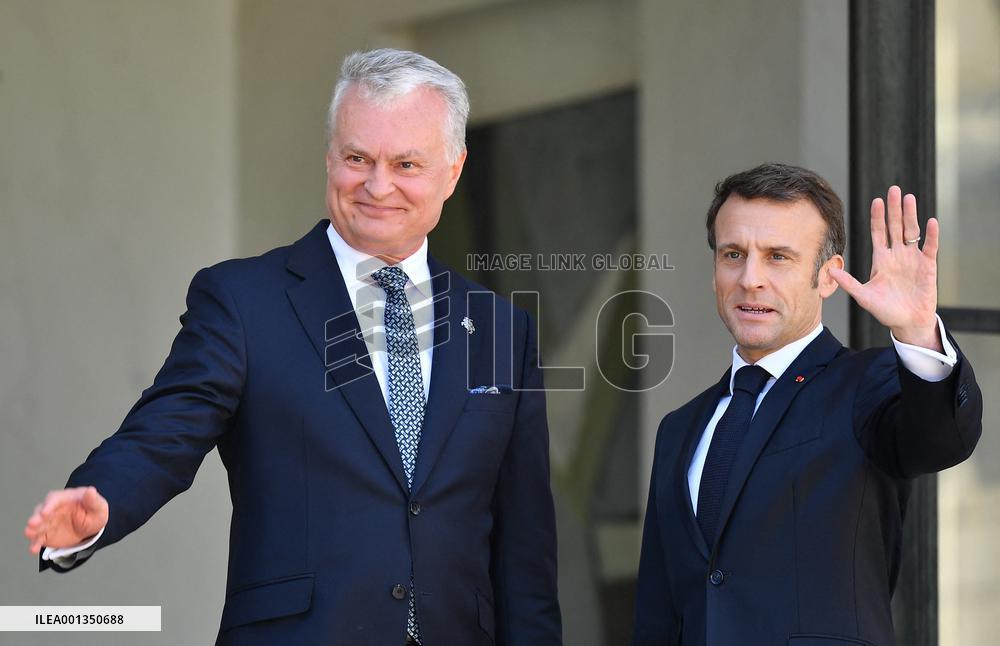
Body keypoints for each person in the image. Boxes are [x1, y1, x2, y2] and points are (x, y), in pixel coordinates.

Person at [23, 48, 562, 646]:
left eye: (406, 163)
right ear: (330, 157)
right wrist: (100, 503)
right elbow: (163, 434)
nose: (377, 185)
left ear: (453, 171)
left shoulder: (501, 328)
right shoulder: (244, 302)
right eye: (357, 158)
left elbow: (525, 551)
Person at [631, 163, 982, 646]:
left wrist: (917, 333)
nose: (750, 279)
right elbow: (658, 613)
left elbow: (941, 439)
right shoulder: (679, 428)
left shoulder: (866, 386)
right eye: (733, 254)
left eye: (778, 257)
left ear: (828, 277)